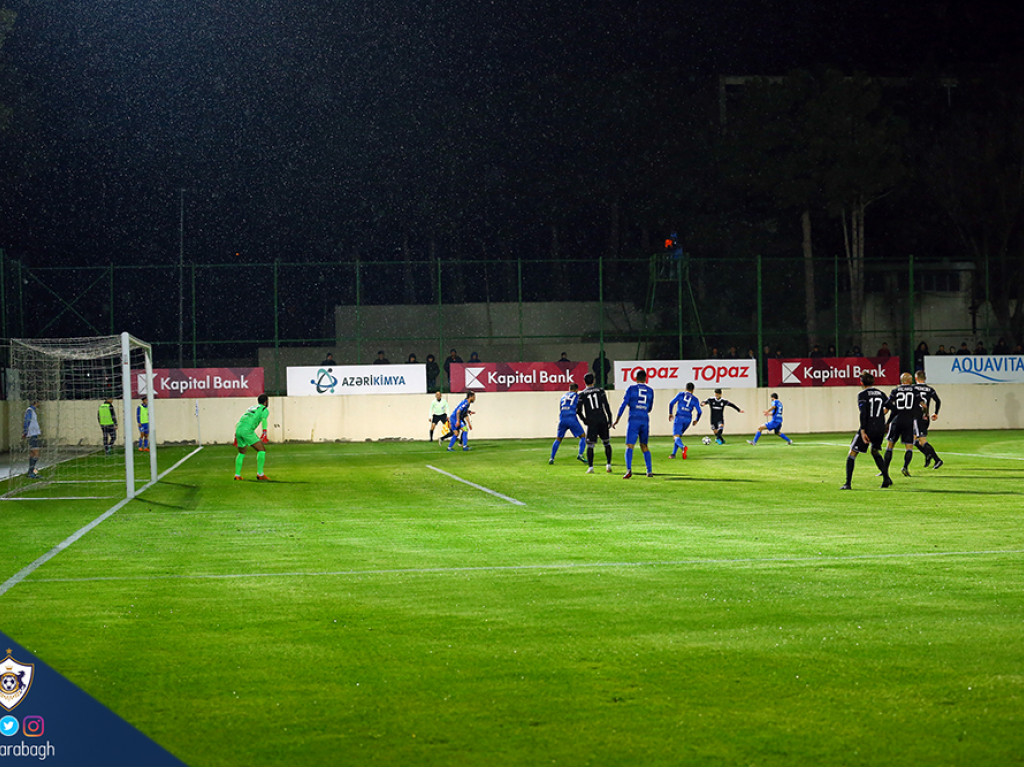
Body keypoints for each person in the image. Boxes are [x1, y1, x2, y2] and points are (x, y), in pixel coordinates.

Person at [840, 372, 890, 490]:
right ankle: (886, 478)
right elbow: (890, 407)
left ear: (861, 382)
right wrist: (884, 420)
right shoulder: (881, 393)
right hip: (880, 427)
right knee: (875, 451)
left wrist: (863, 431)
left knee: (852, 453)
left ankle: (848, 483)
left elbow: (863, 413)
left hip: (868, 427)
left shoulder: (862, 395)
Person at [614, 368, 655, 478]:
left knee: (630, 445)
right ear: (645, 379)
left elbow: (624, 404)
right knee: (644, 445)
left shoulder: (631, 389)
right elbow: (650, 408)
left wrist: (617, 419)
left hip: (634, 419)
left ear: (636, 378)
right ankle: (649, 471)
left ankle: (628, 470)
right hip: (645, 419)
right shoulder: (650, 391)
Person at [882, 372, 921, 482]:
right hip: (909, 421)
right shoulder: (915, 391)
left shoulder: (895, 391)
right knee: (909, 447)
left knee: (890, 445)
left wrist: (884, 419)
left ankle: (884, 470)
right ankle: (905, 467)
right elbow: (922, 405)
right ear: (908, 380)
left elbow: (887, 406)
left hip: (896, 420)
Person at [576, 372, 614, 474]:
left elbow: (578, 411)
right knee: (606, 443)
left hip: (592, 421)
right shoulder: (600, 391)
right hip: (602, 419)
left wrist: (585, 420)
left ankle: (591, 467)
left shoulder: (582, 394)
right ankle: (608, 465)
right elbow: (606, 405)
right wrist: (610, 419)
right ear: (593, 380)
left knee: (590, 445)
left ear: (584, 382)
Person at [234, 393, 270, 481]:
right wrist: (264, 432)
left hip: (239, 429)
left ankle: (237, 475)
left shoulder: (251, 408)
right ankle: (260, 474)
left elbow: (243, 418)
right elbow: (264, 420)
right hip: (247, 431)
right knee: (261, 450)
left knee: (241, 452)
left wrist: (236, 434)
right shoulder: (264, 409)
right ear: (266, 402)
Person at [549, 382, 587, 465]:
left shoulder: (563, 396)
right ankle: (580, 454)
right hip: (572, 418)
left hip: (562, 418)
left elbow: (560, 408)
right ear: (577, 390)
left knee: (558, 439)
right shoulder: (577, 396)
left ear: (569, 389)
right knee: (583, 436)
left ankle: (552, 458)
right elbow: (578, 407)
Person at [912, 370, 943, 470]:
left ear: (916, 378)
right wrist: (936, 413)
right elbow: (938, 401)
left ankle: (937, 459)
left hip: (918, 418)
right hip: (925, 417)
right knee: (914, 440)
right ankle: (927, 454)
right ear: (925, 378)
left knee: (922, 441)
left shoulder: (913, 388)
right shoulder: (930, 389)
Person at [667, 382, 702, 459]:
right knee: (678, 436)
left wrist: (670, 413)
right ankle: (673, 454)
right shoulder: (695, 399)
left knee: (676, 436)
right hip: (688, 419)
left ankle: (683, 447)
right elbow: (699, 412)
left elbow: (671, 403)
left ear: (685, 388)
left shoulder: (681, 394)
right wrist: (696, 420)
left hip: (679, 417)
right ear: (693, 390)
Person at [23, 398, 41, 479]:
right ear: (36, 403)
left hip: (33, 434)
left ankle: (31, 472)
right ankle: (31, 472)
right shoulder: (29, 410)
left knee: (32, 454)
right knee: (36, 454)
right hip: (32, 434)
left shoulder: (32, 410)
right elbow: (27, 421)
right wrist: (25, 432)